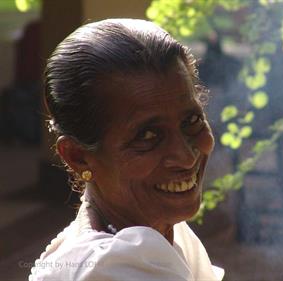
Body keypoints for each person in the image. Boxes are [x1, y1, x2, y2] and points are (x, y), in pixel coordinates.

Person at [29, 18, 224, 281]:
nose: (186, 157)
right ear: (78, 157)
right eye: (148, 136)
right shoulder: (112, 268)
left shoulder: (158, 233)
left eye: (191, 122)